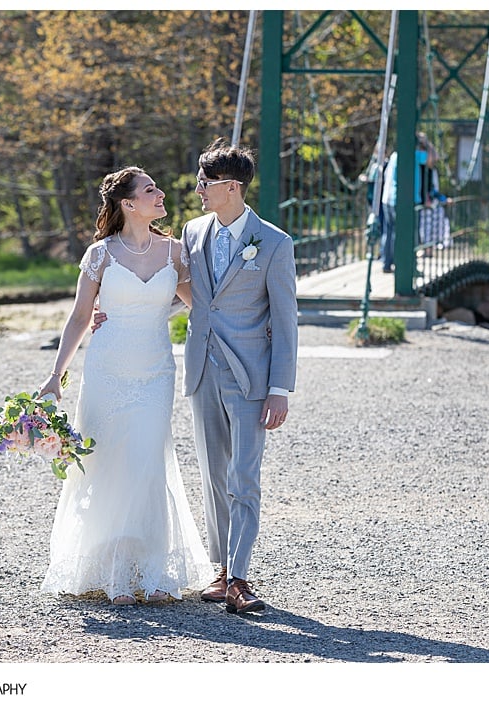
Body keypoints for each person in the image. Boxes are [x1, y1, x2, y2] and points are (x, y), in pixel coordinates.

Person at [36, 166, 212, 606]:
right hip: (106, 370)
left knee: (147, 460)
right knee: (107, 462)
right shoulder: (100, 255)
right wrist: (55, 378)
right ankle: (107, 566)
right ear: (128, 204)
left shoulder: (175, 253)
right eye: (151, 189)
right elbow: (79, 316)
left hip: (155, 371)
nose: (161, 193)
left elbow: (200, 307)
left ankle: (151, 571)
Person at [181, 138, 299, 614]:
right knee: (212, 475)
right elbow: (187, 294)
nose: (198, 191)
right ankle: (220, 571)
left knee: (243, 477)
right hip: (201, 369)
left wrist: (279, 389)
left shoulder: (273, 243)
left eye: (205, 184)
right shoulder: (191, 233)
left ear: (231, 187)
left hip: (252, 377)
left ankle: (242, 577)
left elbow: (287, 319)